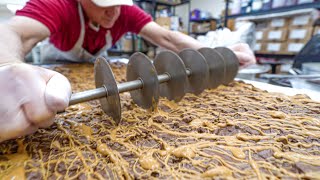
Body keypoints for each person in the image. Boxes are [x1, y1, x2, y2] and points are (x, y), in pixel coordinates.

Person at [0, 0, 256, 142]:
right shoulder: (57, 4)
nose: (113, 11)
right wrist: (6, 66)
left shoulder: (124, 12)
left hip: (96, 65)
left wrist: (218, 54)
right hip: (57, 74)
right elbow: (13, 32)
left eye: (119, 3)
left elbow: (167, 38)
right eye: (103, 4)